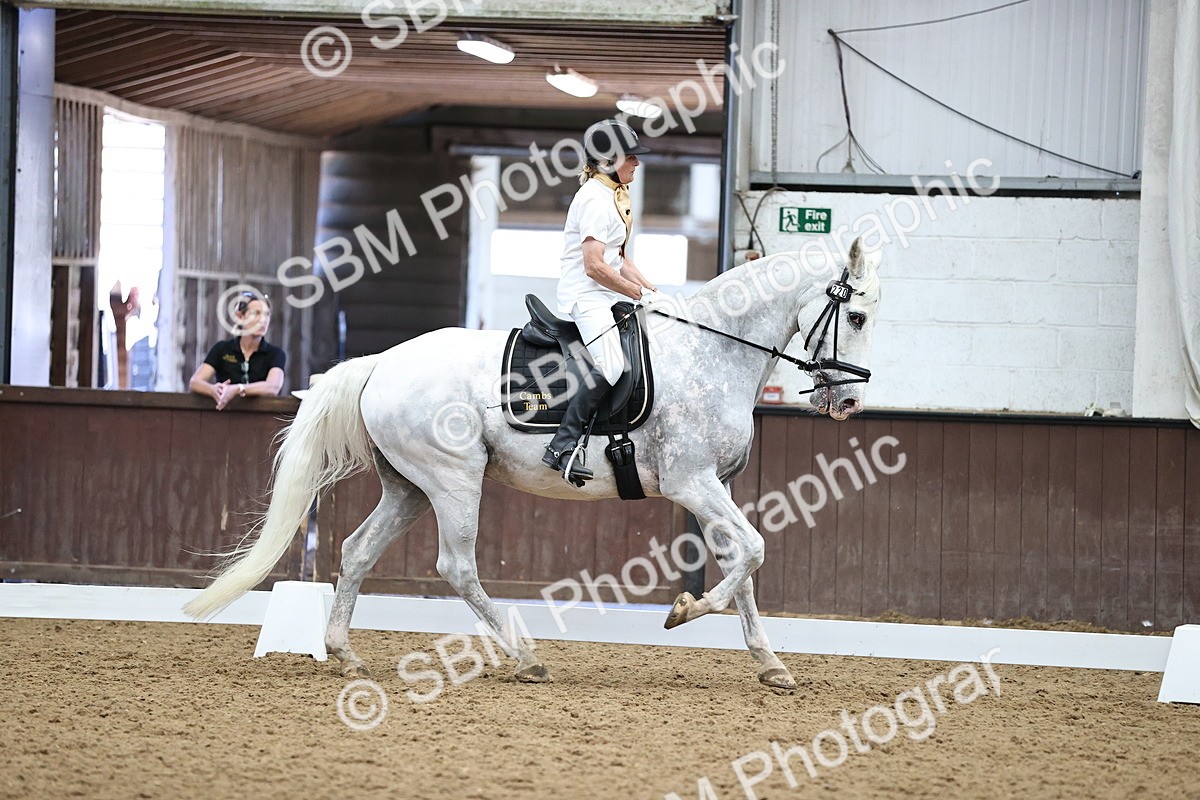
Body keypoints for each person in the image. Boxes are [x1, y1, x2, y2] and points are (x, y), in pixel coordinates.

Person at [542, 119, 666, 485]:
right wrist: (638, 295)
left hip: (607, 291)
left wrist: (656, 294)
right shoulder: (595, 200)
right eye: (631, 157)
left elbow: (621, 260)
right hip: (587, 295)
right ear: (611, 161)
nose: (637, 164)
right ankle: (561, 446)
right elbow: (595, 266)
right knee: (611, 366)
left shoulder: (615, 193)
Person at [189, 292, 286, 410]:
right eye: (256, 313)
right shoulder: (222, 349)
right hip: (225, 417)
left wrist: (238, 389)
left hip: (261, 419)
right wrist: (213, 390)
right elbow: (195, 382)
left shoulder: (275, 353)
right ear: (240, 317)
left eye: (267, 315)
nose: (263, 320)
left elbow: (273, 387)